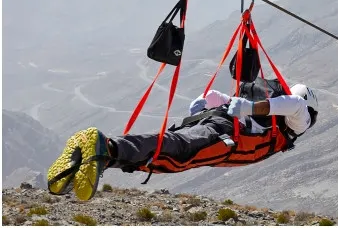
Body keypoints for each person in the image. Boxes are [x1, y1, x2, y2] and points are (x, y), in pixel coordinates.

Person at [47, 77, 321, 201]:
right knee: (176, 153)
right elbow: (295, 105)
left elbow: (223, 100)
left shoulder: (273, 115)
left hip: (221, 125)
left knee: (170, 153)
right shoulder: (298, 117)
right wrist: (248, 108)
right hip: (226, 136)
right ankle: (104, 147)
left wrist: (213, 102)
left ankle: (94, 159)